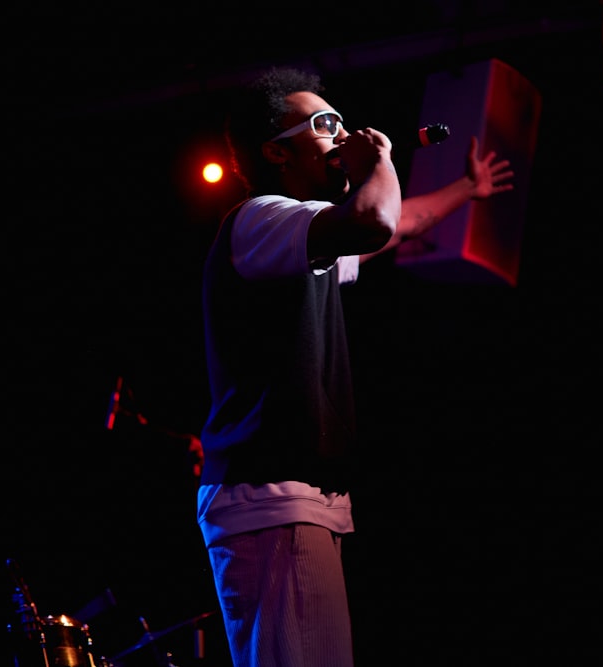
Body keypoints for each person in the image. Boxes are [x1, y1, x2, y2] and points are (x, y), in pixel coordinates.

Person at [196, 66, 514, 667]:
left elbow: (398, 223)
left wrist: (464, 190)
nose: (343, 135)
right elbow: (377, 219)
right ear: (276, 152)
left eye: (344, 123)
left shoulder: (303, 234)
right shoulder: (261, 217)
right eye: (325, 125)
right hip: (273, 493)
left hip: (295, 498)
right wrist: (376, 162)